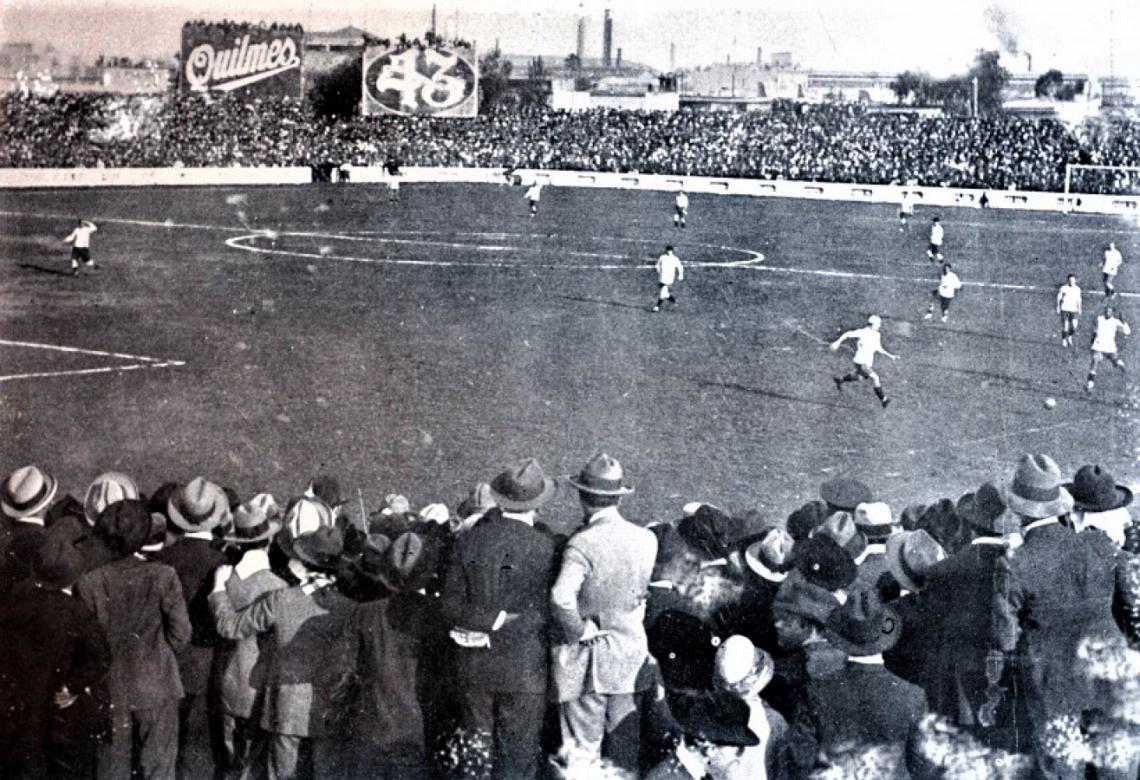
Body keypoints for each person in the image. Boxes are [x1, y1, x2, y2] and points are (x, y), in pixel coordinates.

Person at [1001, 453, 1127, 778]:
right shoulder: (1098, 544)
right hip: (1106, 681)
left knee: (1062, 771)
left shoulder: (1016, 562)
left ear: (1017, 510)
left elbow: (1003, 636)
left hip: (1054, 691)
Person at [439, 458, 559, 779]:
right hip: (525, 671)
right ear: (538, 504)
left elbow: (449, 606)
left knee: (474, 761)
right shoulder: (547, 547)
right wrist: (503, 625)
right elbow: (548, 611)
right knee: (517, 764)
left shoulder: (467, 541)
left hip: (472, 668)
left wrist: (489, 623)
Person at [209, 527, 356, 780]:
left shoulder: (280, 599)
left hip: (285, 710)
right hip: (331, 712)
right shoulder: (351, 609)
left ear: (303, 561)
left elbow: (230, 627)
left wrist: (218, 591)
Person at [550, 453, 657, 772]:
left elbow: (560, 596)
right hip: (631, 658)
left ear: (583, 496)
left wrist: (579, 631)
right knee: (625, 748)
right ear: (617, 497)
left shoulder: (582, 543)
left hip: (588, 661)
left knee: (582, 752)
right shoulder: (647, 540)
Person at [75, 499, 192, 780]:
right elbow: (181, 634)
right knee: (158, 771)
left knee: (112, 771)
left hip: (111, 689)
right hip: (157, 684)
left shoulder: (89, 582)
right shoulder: (164, 575)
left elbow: (86, 645)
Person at [0, 534, 113, 779]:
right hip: (53, 706)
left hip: (14, 702)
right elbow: (102, 657)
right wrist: (72, 686)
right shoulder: (75, 610)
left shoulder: (14, 600)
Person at [212, 494, 288, 780]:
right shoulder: (278, 587)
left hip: (227, 682)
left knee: (229, 762)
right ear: (268, 541)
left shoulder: (223, 578)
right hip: (260, 690)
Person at [831, 314, 899, 409]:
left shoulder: (877, 335)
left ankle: (840, 380)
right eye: (878, 324)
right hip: (860, 362)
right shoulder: (862, 332)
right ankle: (884, 399)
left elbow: (878, 348)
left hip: (867, 362)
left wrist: (891, 356)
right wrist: (837, 342)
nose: (879, 326)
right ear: (872, 324)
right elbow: (847, 334)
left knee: (860, 377)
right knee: (875, 378)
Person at [1086, 304, 1130, 392]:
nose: (1107, 313)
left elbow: (1127, 332)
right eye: (1106, 311)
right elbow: (1095, 330)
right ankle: (1090, 385)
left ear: (1112, 313)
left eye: (1109, 311)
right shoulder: (1099, 319)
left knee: (1117, 362)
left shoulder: (1115, 322)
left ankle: (1127, 375)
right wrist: (1092, 341)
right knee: (1094, 362)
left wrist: (1124, 321)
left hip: (1110, 347)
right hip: (1099, 346)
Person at [653, 245, 684, 312]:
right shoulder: (662, 257)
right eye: (667, 250)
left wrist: (680, 275)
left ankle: (657, 307)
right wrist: (658, 270)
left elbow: (680, 267)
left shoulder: (675, 259)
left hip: (669, 278)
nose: (669, 252)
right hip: (662, 277)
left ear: (672, 251)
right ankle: (673, 300)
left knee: (663, 293)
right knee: (665, 294)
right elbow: (657, 265)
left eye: (670, 250)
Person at [1056, 274, 1082, 347]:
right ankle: (1064, 340)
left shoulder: (1078, 289)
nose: (1071, 282)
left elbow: (1079, 299)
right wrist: (1058, 306)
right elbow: (1059, 297)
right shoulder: (1064, 288)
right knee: (1065, 326)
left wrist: (1079, 308)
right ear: (1068, 280)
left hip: (1074, 309)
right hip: (1065, 309)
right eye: (1070, 280)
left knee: (1074, 326)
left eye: (1073, 280)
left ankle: (1070, 336)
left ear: (1075, 281)